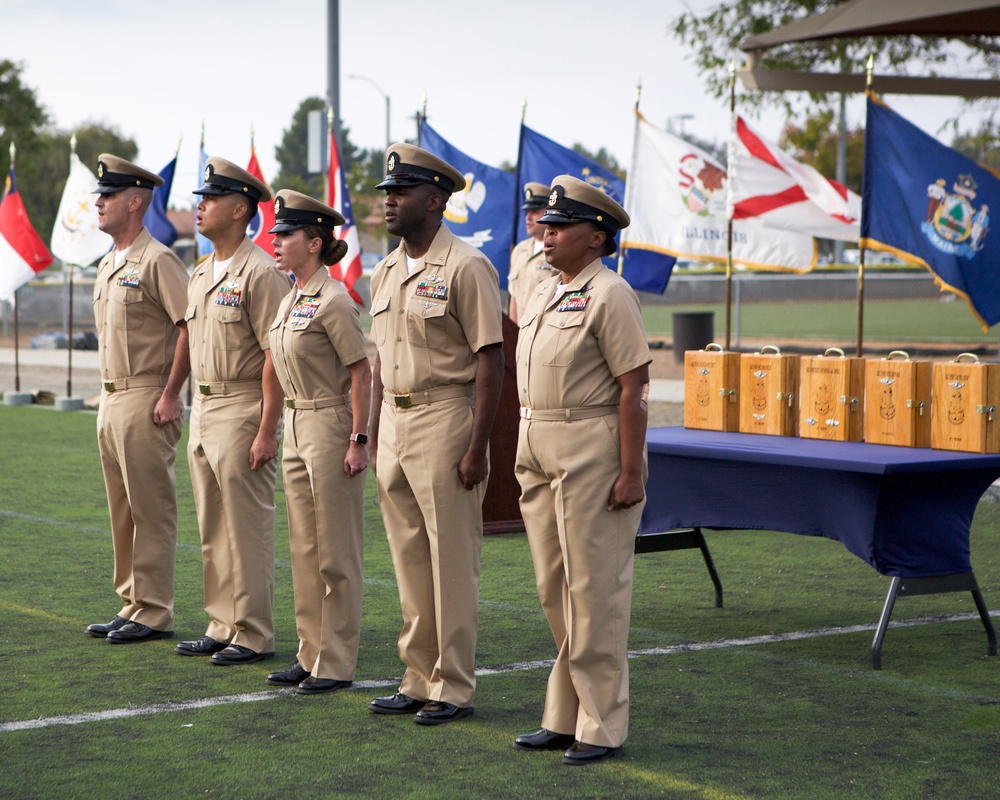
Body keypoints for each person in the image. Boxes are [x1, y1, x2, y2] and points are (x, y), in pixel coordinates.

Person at [512, 175, 650, 765]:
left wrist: (631, 469)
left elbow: (634, 390)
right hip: (537, 442)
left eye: (561, 226)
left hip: (590, 443)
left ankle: (601, 723)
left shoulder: (610, 293)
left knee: (594, 591)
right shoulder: (545, 290)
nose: (546, 233)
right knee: (554, 588)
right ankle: (564, 714)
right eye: (546, 223)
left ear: (596, 237)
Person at [367, 144, 504, 725]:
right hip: (394, 424)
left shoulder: (467, 266)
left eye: (401, 191)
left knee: (451, 561)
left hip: (446, 416)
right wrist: (373, 435)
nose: (390, 200)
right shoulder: (385, 270)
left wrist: (477, 445)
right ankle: (417, 676)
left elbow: (491, 361)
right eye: (387, 192)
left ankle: (453, 686)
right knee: (409, 561)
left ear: (436, 199)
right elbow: (377, 361)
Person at [175, 157, 290, 666]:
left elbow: (275, 352)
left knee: (247, 529)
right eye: (202, 198)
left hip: (244, 405)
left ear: (241, 208)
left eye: (211, 199)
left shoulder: (261, 271)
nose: (200, 207)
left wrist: (267, 428)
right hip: (204, 408)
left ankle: (254, 632)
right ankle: (222, 622)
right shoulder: (202, 271)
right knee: (213, 530)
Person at [263, 189, 372, 694]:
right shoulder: (291, 298)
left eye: (285, 234)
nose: (275, 240)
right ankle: (310, 653)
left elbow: (361, 372)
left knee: (335, 550)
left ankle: (336, 661)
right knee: (305, 550)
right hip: (297, 425)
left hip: (330, 423)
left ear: (313, 242)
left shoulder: (333, 300)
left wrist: (358, 439)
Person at [86, 154, 190, 644]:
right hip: (111, 398)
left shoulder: (159, 260)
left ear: (134, 202)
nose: (98, 204)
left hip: (148, 396)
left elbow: (189, 327)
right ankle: (131, 601)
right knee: (122, 508)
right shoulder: (109, 262)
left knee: (151, 507)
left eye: (107, 196)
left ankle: (154, 609)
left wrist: (172, 394)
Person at [506, 182, 555, 325]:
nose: (528, 217)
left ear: (549, 212)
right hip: (520, 337)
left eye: (534, 211)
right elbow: (514, 296)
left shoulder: (559, 252)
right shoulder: (519, 250)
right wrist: (514, 336)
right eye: (527, 212)